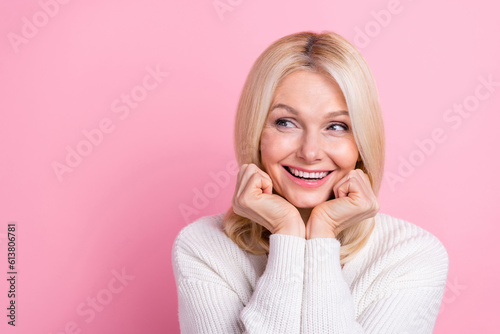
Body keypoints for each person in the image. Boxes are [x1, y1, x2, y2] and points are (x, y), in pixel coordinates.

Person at [172, 31, 449, 333]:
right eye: (285, 122)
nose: (310, 152)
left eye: (337, 126)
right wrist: (287, 233)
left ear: (361, 143)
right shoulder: (204, 247)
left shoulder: (411, 255)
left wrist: (322, 235)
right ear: (256, 133)